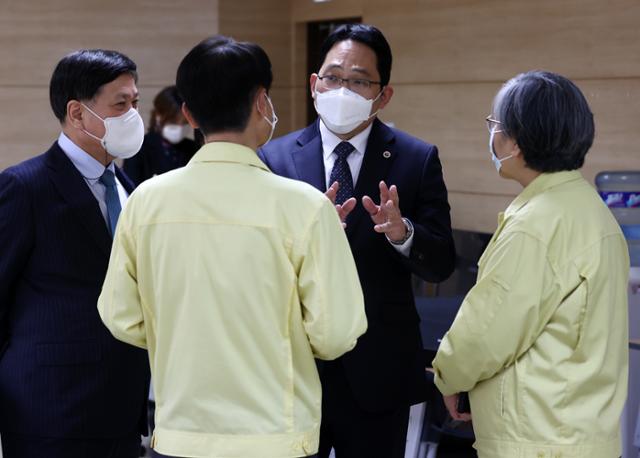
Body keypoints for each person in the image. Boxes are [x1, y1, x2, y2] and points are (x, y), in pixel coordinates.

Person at [97, 35, 368, 458]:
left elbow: (119, 316)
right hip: (277, 438)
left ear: (188, 113)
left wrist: (184, 332)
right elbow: (336, 333)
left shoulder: (144, 202)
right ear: (263, 102)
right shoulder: (306, 207)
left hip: (179, 435)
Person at [259, 24, 456, 458]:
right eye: (332, 77)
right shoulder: (273, 158)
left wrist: (403, 235)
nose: (342, 88)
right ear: (314, 84)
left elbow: (441, 262)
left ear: (382, 95)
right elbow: (256, 265)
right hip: (294, 367)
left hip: (378, 368)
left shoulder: (416, 158)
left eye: (359, 80)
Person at [432, 71, 629, 458]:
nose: (491, 136)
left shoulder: (535, 225)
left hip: (534, 438)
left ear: (517, 141)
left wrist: (448, 376)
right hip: (583, 434)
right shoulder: (595, 213)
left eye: (495, 125)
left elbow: (485, 334)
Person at [0, 49, 150, 458]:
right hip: (46, 411)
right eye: (120, 104)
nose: (133, 115)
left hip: (123, 412)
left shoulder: (131, 190)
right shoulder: (24, 186)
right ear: (78, 113)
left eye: (135, 103)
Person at [123, 85, 198, 186]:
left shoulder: (193, 149)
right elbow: (130, 188)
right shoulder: (138, 148)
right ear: (158, 116)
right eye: (173, 122)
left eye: (184, 123)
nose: (179, 128)